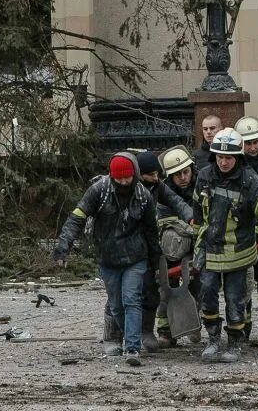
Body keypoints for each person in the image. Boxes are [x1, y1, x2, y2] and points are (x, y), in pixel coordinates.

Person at [194, 129, 258, 363]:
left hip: (239, 253)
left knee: (235, 298)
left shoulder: (249, 180)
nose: (224, 162)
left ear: (238, 157)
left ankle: (235, 342)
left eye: (228, 158)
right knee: (207, 294)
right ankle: (213, 338)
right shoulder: (205, 176)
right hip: (210, 249)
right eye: (220, 157)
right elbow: (198, 209)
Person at [52, 152, 160, 366]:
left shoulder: (143, 196)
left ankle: (132, 348)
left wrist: (155, 262)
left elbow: (151, 231)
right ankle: (120, 336)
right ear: (111, 176)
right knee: (116, 305)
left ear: (135, 175)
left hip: (135, 257)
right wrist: (63, 247)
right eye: (118, 178)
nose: (123, 182)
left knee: (132, 299)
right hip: (108, 257)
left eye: (127, 177)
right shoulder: (98, 191)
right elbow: (77, 218)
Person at [132, 150, 197, 351]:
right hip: (139, 248)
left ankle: (166, 330)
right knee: (139, 293)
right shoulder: (130, 190)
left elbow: (177, 202)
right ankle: (135, 334)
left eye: (156, 174)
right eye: (150, 175)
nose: (155, 178)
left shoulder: (158, 187)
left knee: (184, 285)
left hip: (162, 247)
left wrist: (191, 218)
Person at [153, 145, 204, 347]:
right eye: (177, 174)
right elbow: (163, 221)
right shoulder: (163, 194)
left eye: (185, 172)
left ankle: (194, 324)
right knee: (166, 289)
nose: (183, 177)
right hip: (172, 249)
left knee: (199, 286)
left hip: (198, 246)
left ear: (192, 168)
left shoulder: (203, 186)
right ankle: (166, 332)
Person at [234, 115, 258, 339]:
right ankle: (244, 328)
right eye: (248, 143)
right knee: (243, 285)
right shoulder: (233, 168)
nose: (252, 147)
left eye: (256, 142)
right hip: (243, 234)